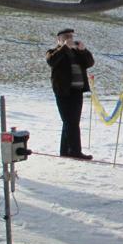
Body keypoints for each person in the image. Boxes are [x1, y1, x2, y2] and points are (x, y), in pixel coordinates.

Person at [47, 28, 94, 160]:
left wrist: (83, 50)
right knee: (70, 122)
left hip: (77, 91)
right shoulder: (53, 51)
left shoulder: (77, 52)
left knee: (71, 121)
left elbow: (90, 63)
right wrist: (64, 48)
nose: (70, 39)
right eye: (66, 36)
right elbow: (51, 61)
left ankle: (65, 151)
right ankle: (75, 151)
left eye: (71, 36)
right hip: (63, 91)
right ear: (59, 39)